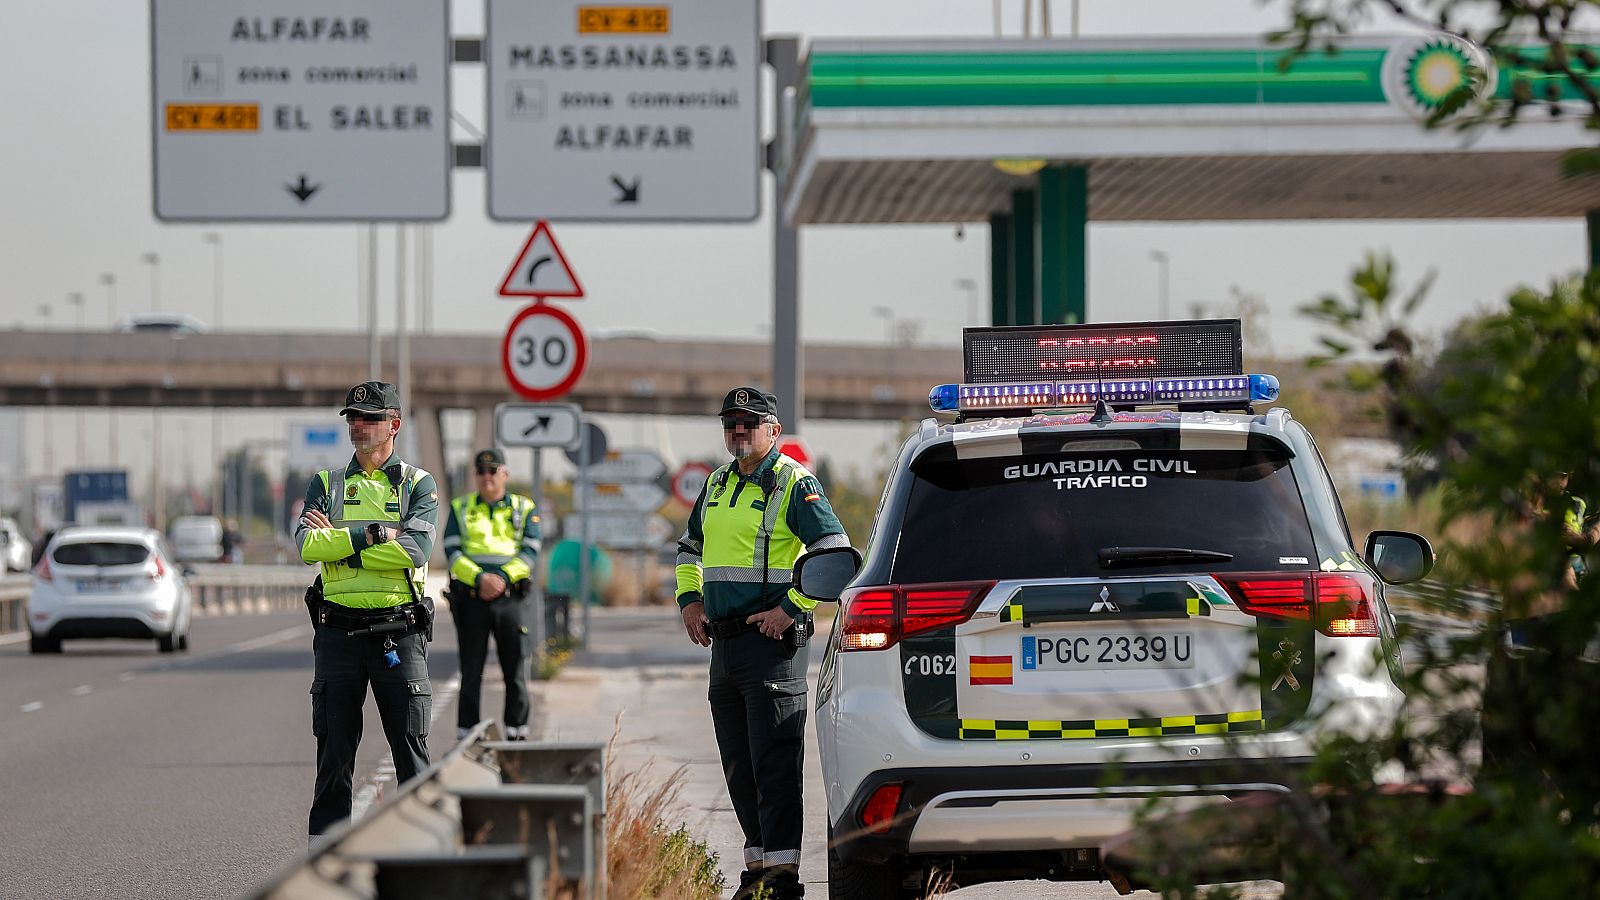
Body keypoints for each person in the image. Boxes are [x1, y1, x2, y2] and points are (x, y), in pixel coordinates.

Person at [675, 386, 851, 900]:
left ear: (774, 431)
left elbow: (835, 555)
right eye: (730, 422)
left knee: (773, 765)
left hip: (772, 645)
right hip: (724, 648)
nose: (738, 430)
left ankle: (782, 880)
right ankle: (758, 871)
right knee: (738, 767)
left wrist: (791, 608)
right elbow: (691, 547)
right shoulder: (714, 484)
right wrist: (690, 602)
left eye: (749, 422)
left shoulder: (794, 483)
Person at [294, 381, 440, 840]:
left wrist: (338, 545)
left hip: (399, 633)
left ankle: (420, 861)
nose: (359, 426)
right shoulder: (326, 483)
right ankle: (324, 866)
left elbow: (415, 551)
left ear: (394, 425)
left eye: (370, 418)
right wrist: (371, 536)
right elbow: (305, 546)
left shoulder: (418, 484)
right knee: (333, 758)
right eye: (353, 418)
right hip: (337, 635)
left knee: (411, 755)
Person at [442, 448, 542, 741]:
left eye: (493, 471)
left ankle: (517, 732)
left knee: (515, 668)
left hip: (510, 598)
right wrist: (479, 578)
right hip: (472, 598)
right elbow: (452, 551)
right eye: (481, 472)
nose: (487, 477)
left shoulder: (524, 508)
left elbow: (530, 551)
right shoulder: (461, 507)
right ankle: (467, 733)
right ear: (475, 475)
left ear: (505, 474)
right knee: (470, 670)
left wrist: (500, 578)